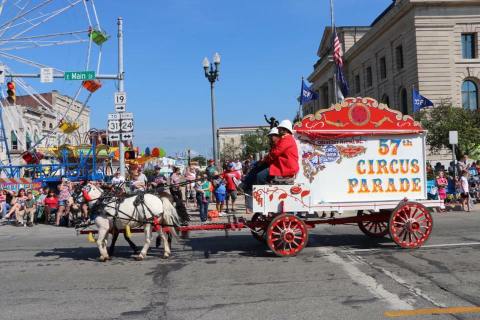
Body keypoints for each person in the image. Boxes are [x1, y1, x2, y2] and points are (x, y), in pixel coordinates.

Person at [257, 120, 299, 185]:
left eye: (279, 129)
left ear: (284, 130)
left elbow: (275, 153)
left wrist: (264, 160)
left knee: (260, 176)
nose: (278, 130)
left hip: (285, 167)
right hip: (282, 165)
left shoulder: (286, 139)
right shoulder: (286, 138)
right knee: (260, 172)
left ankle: (265, 192)